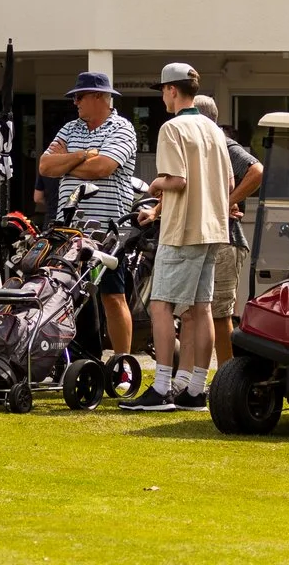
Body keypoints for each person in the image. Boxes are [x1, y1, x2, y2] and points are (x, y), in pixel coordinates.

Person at [123, 64, 234, 412]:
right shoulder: (213, 130)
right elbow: (229, 185)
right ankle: (195, 389)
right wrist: (158, 208)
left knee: (160, 306)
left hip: (182, 230)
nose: (162, 97)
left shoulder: (172, 128)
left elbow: (177, 180)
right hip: (213, 229)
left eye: (162, 90)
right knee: (201, 309)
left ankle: (161, 387)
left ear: (172, 91)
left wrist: (155, 184)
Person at [37, 71, 140, 358]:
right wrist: (83, 155)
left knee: (112, 295)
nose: (75, 103)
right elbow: (45, 167)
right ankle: (82, 359)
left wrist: (65, 161)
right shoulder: (70, 128)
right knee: (68, 294)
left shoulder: (122, 128)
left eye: (79, 96)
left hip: (108, 230)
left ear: (99, 97)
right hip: (70, 228)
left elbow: (103, 168)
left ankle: (122, 364)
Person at [192, 94, 261, 367]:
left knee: (220, 314)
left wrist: (225, 202)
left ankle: (226, 378)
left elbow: (256, 170)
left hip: (226, 240)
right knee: (194, 313)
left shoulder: (222, 143)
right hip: (200, 238)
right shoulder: (195, 146)